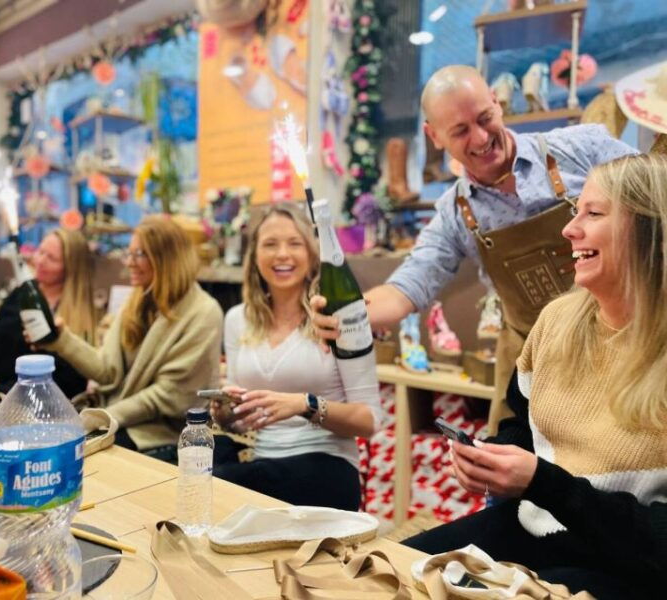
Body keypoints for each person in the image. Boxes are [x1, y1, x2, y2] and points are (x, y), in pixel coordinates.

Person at [312, 64, 637, 431]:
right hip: (538, 363)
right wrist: (348, 315)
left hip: (626, 343)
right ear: (434, 136)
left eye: (484, 118)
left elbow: (653, 197)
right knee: (509, 455)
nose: (481, 138)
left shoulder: (582, 148)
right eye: (460, 130)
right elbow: (409, 285)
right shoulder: (455, 214)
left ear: (497, 103)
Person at [403, 154, 667, 599]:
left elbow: (657, 544)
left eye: (593, 213)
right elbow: (522, 423)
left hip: (626, 565)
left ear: (650, 230)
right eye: (576, 210)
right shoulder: (557, 322)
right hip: (528, 527)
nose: (569, 229)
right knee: (394, 570)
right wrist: (493, 460)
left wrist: (541, 482)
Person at [212, 204, 383, 510]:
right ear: (255, 255)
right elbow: (241, 422)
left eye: (294, 243)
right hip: (259, 460)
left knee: (217, 487)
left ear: (312, 253)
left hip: (326, 466)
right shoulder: (238, 319)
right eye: (270, 244)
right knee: (190, 468)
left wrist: (306, 405)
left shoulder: (336, 317)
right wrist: (226, 413)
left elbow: (369, 421)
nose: (282, 254)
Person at [42, 216, 223, 463]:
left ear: (167, 259)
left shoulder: (203, 313)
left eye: (139, 254)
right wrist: (61, 340)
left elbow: (169, 396)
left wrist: (101, 419)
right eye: (128, 253)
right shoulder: (136, 301)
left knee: (70, 459)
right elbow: (107, 370)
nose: (129, 263)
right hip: (120, 423)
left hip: (159, 437)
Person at [0, 229, 96, 400]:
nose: (40, 261)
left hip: (40, 409)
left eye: (52, 258)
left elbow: (68, 383)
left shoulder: (77, 316)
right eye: (41, 252)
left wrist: (1, 390)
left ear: (71, 268)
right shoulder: (21, 293)